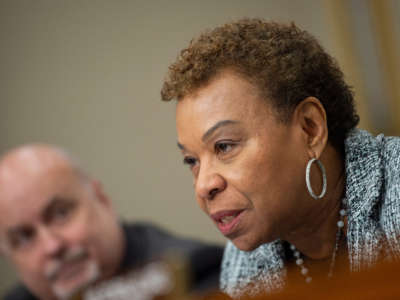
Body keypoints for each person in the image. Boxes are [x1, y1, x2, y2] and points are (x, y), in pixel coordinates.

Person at [160, 18, 400, 298]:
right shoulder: (242, 267)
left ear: (310, 129)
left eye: (224, 146)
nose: (203, 186)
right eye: (191, 161)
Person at [0, 144, 223, 300]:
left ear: (101, 199)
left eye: (60, 214)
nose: (52, 246)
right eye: (24, 238)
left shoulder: (198, 272)